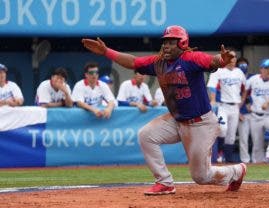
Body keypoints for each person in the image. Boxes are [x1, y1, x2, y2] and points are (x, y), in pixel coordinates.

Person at [82, 25, 246, 195]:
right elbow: (133, 62)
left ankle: (237, 171)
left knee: (201, 177)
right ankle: (164, 182)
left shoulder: (190, 58)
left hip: (200, 123)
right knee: (146, 135)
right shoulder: (158, 62)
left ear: (182, 43)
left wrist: (221, 60)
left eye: (171, 42)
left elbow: (211, 60)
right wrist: (106, 51)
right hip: (177, 120)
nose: (166, 45)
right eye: (165, 42)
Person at [207, 50, 247, 163]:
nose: (233, 59)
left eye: (234, 57)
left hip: (235, 107)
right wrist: (213, 100)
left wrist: (241, 103)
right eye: (230, 57)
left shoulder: (239, 72)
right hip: (222, 106)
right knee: (222, 129)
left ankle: (228, 160)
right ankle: (219, 153)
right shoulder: (219, 71)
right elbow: (212, 87)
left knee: (231, 135)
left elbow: (245, 89)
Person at [236, 57, 253, 163]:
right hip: (241, 112)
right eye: (241, 65)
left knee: (257, 139)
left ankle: (258, 160)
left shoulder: (253, 78)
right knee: (243, 139)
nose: (243, 67)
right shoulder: (235, 79)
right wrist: (238, 112)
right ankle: (245, 160)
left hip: (254, 112)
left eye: (245, 65)